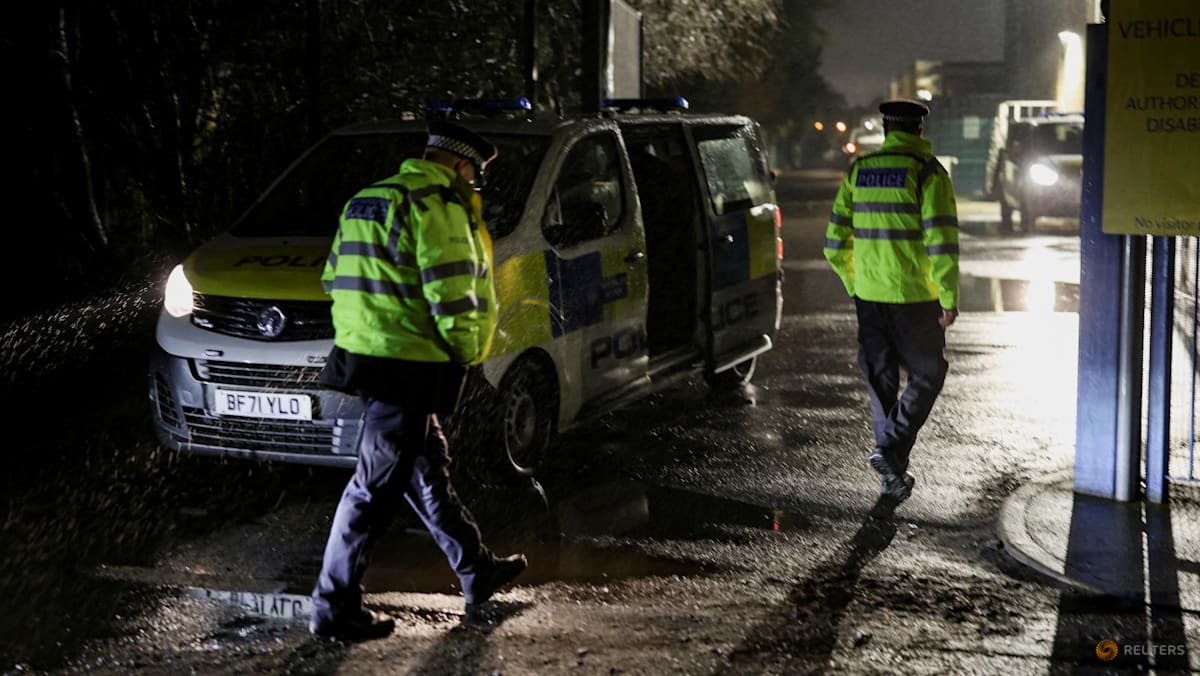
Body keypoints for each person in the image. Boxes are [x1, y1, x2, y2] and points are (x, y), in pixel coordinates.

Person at [310, 120, 527, 641]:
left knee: (427, 467)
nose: (474, 182)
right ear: (459, 164)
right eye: (474, 173)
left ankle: (476, 569)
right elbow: (452, 294)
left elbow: (332, 276)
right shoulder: (439, 206)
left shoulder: (369, 198)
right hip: (410, 363)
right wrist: (467, 353)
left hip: (365, 356)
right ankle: (332, 607)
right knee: (372, 489)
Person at [823, 99, 960, 504]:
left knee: (881, 382)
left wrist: (856, 283)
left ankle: (891, 477)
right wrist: (949, 298)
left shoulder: (859, 171)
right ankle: (890, 450)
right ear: (919, 130)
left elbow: (834, 243)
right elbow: (942, 242)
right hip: (914, 298)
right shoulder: (928, 172)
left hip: (869, 297)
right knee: (928, 374)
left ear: (886, 130)